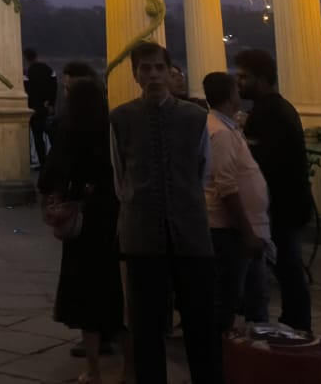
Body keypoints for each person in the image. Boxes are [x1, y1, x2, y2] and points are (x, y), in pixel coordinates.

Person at [109, 41, 221, 384]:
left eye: (159, 67)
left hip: (190, 233)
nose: (154, 75)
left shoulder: (195, 117)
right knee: (145, 327)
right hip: (142, 236)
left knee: (201, 323)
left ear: (170, 72)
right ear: (135, 75)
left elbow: (204, 169)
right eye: (146, 68)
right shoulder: (121, 118)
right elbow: (119, 175)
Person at [39, 73, 125, 383]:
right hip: (114, 216)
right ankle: (130, 368)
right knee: (117, 292)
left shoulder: (70, 130)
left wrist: (54, 196)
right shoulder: (114, 128)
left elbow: (51, 174)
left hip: (85, 221)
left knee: (87, 294)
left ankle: (94, 369)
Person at [234, 48, 314, 333]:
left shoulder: (266, 114)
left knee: (286, 268)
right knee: (287, 268)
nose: (238, 82)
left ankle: (295, 324)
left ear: (262, 78)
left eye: (244, 77)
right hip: (291, 203)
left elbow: (260, 163)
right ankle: (295, 322)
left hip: (281, 206)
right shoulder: (280, 108)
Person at [202, 71, 272, 332]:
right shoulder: (219, 133)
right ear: (231, 96)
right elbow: (226, 186)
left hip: (243, 229)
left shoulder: (224, 127)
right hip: (231, 230)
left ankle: (256, 343)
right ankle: (222, 351)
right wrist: (247, 232)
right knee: (228, 297)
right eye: (236, 89)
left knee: (255, 293)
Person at [25, 47, 57, 168]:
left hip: (34, 110)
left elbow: (28, 92)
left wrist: (32, 107)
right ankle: (53, 160)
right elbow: (53, 86)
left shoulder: (27, 73)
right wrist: (51, 104)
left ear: (25, 58)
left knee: (38, 137)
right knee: (51, 134)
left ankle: (42, 163)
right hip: (47, 107)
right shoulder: (48, 69)